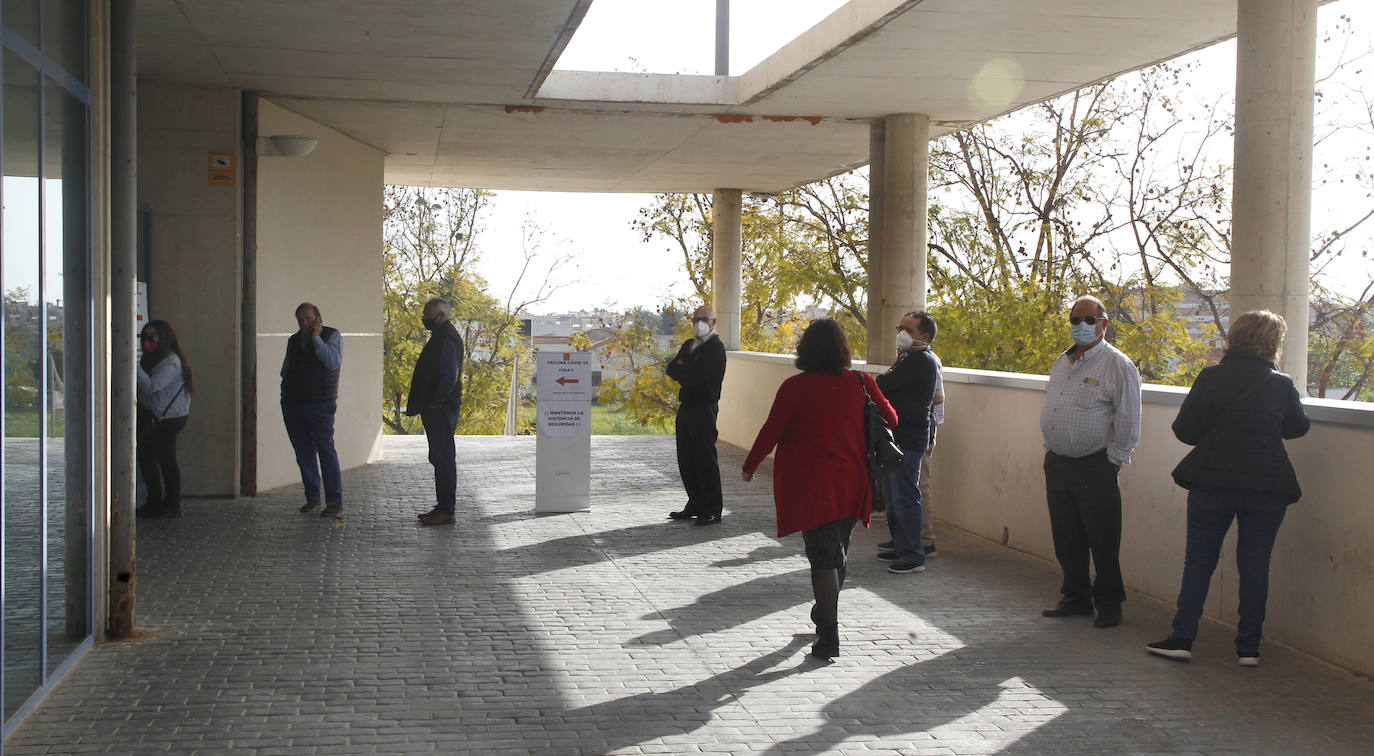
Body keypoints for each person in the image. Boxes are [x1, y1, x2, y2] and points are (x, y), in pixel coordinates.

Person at [1147, 310, 1309, 666]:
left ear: (1234, 337)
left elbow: (1185, 430)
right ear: (1273, 344)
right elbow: (1298, 427)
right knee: (1255, 565)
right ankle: (1248, 648)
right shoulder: (1281, 384)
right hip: (1267, 485)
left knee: (1199, 561)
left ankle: (1182, 638)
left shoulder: (1211, 377)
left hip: (1213, 483)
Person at [742, 319, 896, 659]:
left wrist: (750, 465)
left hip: (812, 485)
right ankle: (825, 612)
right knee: (838, 550)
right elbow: (892, 419)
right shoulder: (862, 382)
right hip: (852, 481)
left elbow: (771, 431)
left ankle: (829, 634)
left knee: (822, 556)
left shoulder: (794, 387)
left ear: (805, 350)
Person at [1040, 295, 1142, 629]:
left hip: (1095, 465)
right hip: (1059, 463)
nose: (1081, 326)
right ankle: (1076, 596)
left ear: (1104, 324)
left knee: (1102, 538)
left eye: (1088, 320)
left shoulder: (1117, 365)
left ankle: (1109, 602)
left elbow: (1128, 418)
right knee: (1066, 536)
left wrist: (1113, 462)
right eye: (1075, 320)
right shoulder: (1063, 362)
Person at [874, 311, 939, 575]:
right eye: (900, 328)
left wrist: (884, 382)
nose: (902, 334)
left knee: (905, 497)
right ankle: (900, 543)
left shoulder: (921, 361)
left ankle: (913, 554)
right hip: (897, 436)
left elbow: (883, 383)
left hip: (909, 438)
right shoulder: (907, 358)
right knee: (892, 496)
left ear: (925, 336)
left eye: (909, 330)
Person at [666, 305, 727, 526]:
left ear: (713, 322)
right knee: (686, 458)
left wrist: (685, 367)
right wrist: (685, 368)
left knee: (704, 458)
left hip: (704, 407)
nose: (699, 323)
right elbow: (672, 369)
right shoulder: (689, 344)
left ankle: (711, 509)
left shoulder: (715, 348)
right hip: (686, 406)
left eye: (704, 319)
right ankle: (696, 503)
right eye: (695, 319)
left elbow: (695, 377)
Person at [280, 302, 344, 517]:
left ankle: (334, 501)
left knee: (326, 450)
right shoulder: (294, 341)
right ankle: (313, 498)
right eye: (300, 319)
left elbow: (332, 361)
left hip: (320, 403)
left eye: (308, 318)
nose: (304, 323)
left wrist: (316, 339)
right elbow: (286, 369)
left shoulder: (331, 335)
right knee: (303, 452)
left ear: (318, 318)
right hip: (293, 403)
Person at [407, 297, 465, 526]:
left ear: (440, 316)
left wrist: (436, 402)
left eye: (427, 315)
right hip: (438, 407)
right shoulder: (442, 336)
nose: (424, 319)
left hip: (441, 408)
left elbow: (449, 375)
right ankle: (442, 507)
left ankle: (447, 510)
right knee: (440, 457)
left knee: (443, 458)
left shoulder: (446, 338)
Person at [136, 320, 194, 519]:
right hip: (158, 416)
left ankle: (171, 505)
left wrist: (133, 366)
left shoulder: (171, 362)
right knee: (147, 457)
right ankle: (156, 502)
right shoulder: (156, 359)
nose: (147, 342)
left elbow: (151, 386)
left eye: (152, 338)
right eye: (145, 337)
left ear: (164, 338)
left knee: (166, 460)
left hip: (168, 419)